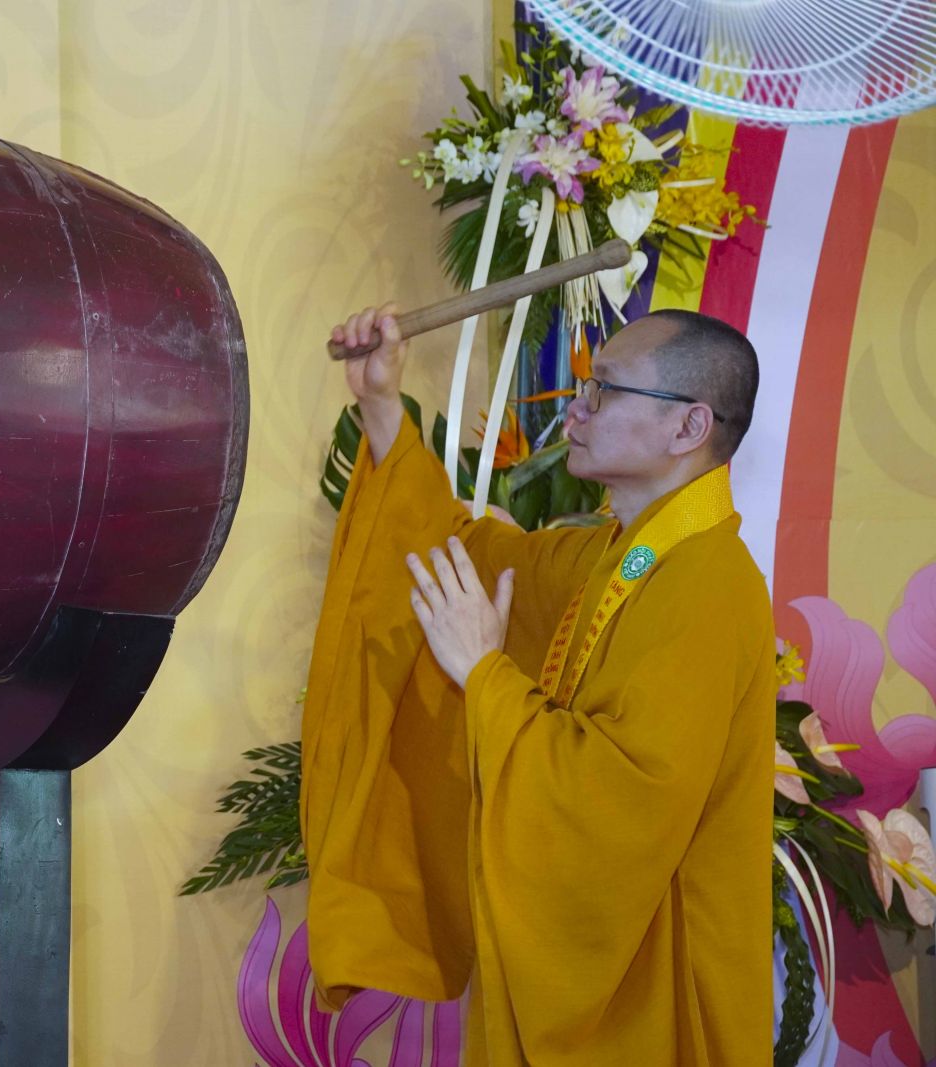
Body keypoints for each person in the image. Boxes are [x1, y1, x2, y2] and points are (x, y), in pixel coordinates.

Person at [300, 305, 775, 1064]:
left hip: (650, 993)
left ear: (689, 426)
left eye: (604, 390)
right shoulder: (624, 558)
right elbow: (461, 553)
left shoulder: (712, 583)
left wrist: (483, 671)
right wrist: (382, 404)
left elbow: (615, 807)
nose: (576, 411)